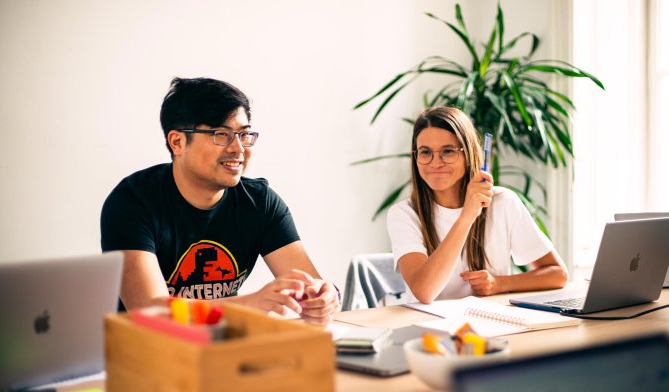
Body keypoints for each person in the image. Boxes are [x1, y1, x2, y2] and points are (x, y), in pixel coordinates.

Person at [101, 77, 340, 324]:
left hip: (225, 344)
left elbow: (310, 286)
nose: (238, 148)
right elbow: (150, 312)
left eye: (244, 135)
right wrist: (253, 302)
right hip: (149, 352)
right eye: (221, 134)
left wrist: (326, 297)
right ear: (177, 142)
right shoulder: (132, 202)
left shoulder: (260, 202)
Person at [387, 106, 568, 304]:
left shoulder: (503, 202)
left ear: (468, 155)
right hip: (430, 330)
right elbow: (425, 291)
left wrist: (498, 284)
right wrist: (467, 215)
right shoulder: (404, 214)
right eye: (425, 152)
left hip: (491, 323)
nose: (435, 163)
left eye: (448, 151)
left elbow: (557, 274)